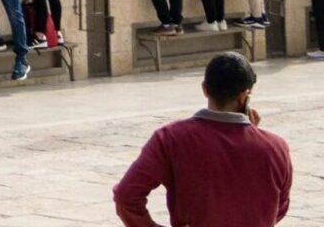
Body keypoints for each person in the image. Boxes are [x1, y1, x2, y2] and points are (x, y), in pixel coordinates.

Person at [112, 51, 291, 227]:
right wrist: (252, 134)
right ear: (245, 96)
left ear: (205, 89)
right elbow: (278, 206)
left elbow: (126, 196)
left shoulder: (170, 138)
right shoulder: (275, 147)